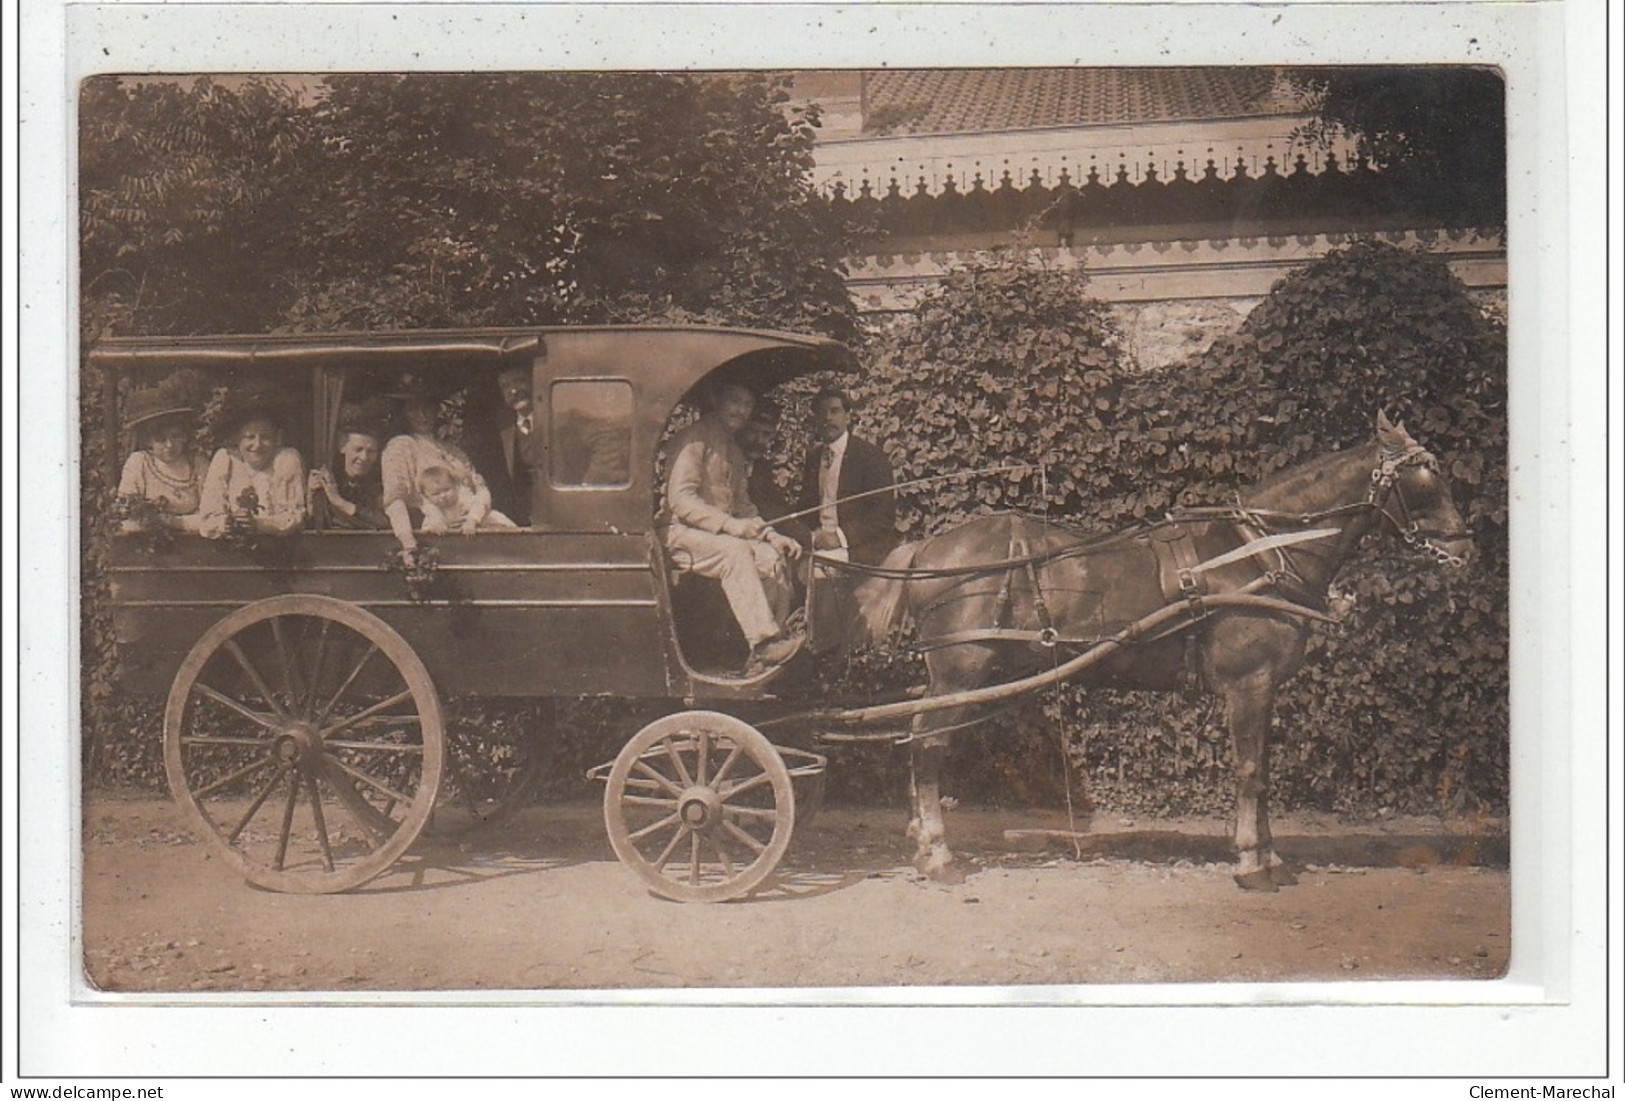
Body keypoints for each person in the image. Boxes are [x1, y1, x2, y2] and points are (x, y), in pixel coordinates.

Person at [662, 380, 804, 675]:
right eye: (735, 401)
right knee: (735, 551)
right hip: (678, 533)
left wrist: (772, 535)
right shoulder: (693, 439)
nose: (741, 410)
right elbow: (680, 499)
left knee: (771, 559)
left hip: (717, 537)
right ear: (718, 401)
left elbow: (744, 506)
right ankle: (764, 642)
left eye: (747, 405)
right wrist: (730, 525)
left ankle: (765, 658)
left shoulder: (733, 452)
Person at [379, 382, 492, 552]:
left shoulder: (453, 450)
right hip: (436, 538)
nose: (422, 415)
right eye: (413, 409)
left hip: (474, 530)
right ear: (404, 412)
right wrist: (409, 543)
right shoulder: (401, 447)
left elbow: (479, 490)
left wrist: (474, 518)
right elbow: (395, 498)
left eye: (428, 408)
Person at [797, 388, 898, 567]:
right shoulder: (814, 458)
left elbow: (883, 516)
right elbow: (806, 508)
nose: (827, 418)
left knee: (816, 572)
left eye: (834, 411)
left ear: (848, 417)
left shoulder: (869, 456)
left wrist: (839, 537)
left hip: (858, 548)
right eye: (822, 412)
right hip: (818, 545)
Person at [198, 403, 306, 538]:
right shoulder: (226, 459)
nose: (257, 445)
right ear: (238, 439)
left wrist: (259, 524)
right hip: (229, 549)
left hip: (278, 548)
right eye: (250, 437)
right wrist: (226, 523)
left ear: (277, 439)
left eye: (265, 437)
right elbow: (207, 519)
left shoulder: (286, 460)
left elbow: (295, 517)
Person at [116, 386, 205, 532]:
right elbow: (125, 512)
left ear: (185, 437)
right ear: (148, 441)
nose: (169, 445)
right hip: (148, 540)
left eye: (176, 436)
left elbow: (211, 515)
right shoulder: (139, 463)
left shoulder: (198, 464)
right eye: (161, 439)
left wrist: (175, 522)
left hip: (194, 541)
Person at [461, 364, 540, 526]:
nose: (513, 391)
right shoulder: (503, 428)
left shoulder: (558, 417)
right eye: (506, 387)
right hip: (525, 516)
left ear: (534, 381)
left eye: (519, 382)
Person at [307, 423, 387, 530]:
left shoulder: (379, 483)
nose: (364, 457)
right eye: (358, 449)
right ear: (342, 447)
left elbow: (382, 523)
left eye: (371, 452)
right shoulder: (328, 478)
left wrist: (338, 501)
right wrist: (310, 499)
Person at [416, 465, 517, 534]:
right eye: (436, 494)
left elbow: (478, 504)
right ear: (426, 496)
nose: (443, 496)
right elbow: (432, 518)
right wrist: (436, 526)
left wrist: (472, 520)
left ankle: (515, 536)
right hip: (453, 534)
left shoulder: (462, 498)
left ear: (455, 486)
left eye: (447, 490)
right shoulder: (431, 508)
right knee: (427, 528)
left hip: (475, 525)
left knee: (494, 516)